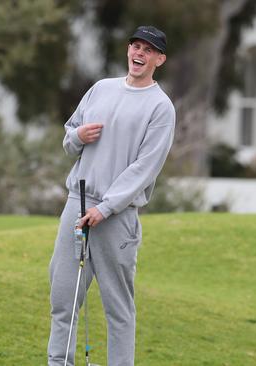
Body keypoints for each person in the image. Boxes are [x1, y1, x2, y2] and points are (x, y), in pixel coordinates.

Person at [47, 26, 175, 366]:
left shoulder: (161, 107)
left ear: (159, 59)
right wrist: (79, 136)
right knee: (63, 297)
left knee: (118, 307)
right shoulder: (101, 89)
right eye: (136, 45)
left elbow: (145, 168)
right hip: (77, 202)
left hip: (117, 216)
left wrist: (106, 208)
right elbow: (68, 139)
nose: (139, 52)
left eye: (149, 49)